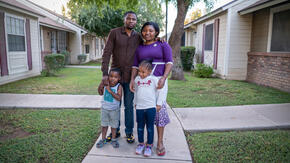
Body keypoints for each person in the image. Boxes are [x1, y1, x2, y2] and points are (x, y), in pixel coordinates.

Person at [98, 11, 142, 143]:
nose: (131, 21)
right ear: (124, 20)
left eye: (134, 19)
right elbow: (106, 53)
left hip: (130, 77)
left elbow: (148, 44)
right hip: (114, 77)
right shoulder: (114, 33)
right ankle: (115, 131)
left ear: (136, 21)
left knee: (128, 105)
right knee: (114, 105)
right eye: (128, 19)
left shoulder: (138, 37)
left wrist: (159, 39)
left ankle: (129, 132)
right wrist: (105, 74)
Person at [130, 22, 173, 156]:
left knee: (159, 110)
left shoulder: (163, 44)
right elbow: (135, 66)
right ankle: (144, 142)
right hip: (144, 83)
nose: (147, 33)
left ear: (156, 32)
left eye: (151, 30)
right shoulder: (139, 48)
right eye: (144, 30)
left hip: (159, 82)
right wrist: (132, 79)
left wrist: (164, 77)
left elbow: (169, 62)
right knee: (144, 111)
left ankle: (159, 142)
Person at [134, 60, 163, 157]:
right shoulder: (137, 79)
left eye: (143, 72)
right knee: (140, 127)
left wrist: (158, 104)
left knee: (150, 128)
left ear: (149, 71)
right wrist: (135, 103)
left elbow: (160, 91)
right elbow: (136, 92)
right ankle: (141, 144)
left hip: (150, 107)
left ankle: (149, 146)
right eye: (139, 71)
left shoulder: (154, 79)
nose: (141, 74)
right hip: (140, 108)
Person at [97, 68, 123, 148]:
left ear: (119, 78)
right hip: (105, 109)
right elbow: (100, 93)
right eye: (111, 76)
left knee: (114, 126)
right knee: (104, 125)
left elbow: (119, 98)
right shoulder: (106, 84)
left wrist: (110, 91)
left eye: (115, 77)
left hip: (114, 110)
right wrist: (101, 85)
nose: (112, 78)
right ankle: (103, 139)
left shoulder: (119, 86)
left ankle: (114, 139)